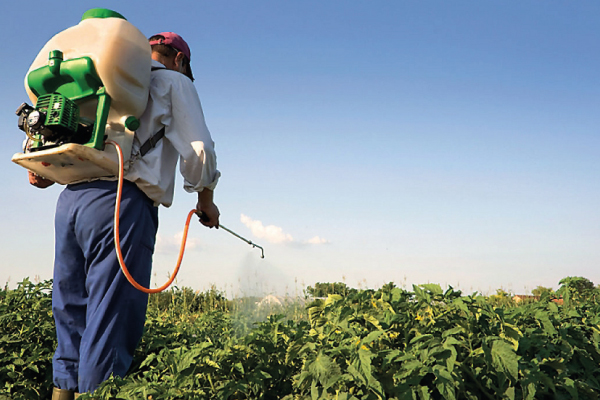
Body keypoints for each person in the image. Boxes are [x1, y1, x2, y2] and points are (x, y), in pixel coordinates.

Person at [29, 32, 220, 399]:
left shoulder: (103, 75)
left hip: (71, 201)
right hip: (120, 203)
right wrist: (205, 199)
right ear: (180, 60)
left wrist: (45, 169)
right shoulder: (172, 80)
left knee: (70, 311)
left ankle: (64, 392)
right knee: (110, 320)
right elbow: (199, 150)